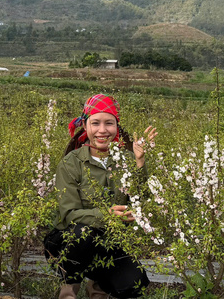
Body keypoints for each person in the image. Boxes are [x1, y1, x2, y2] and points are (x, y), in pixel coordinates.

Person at [44, 94, 157, 299]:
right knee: (83, 236)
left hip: (108, 240)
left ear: (117, 127)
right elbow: (69, 214)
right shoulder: (72, 163)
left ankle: (98, 291)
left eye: (109, 123)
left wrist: (140, 162)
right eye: (95, 123)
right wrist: (107, 215)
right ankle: (69, 290)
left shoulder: (126, 159)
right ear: (85, 126)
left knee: (134, 283)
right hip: (70, 241)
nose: (102, 130)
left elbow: (140, 200)